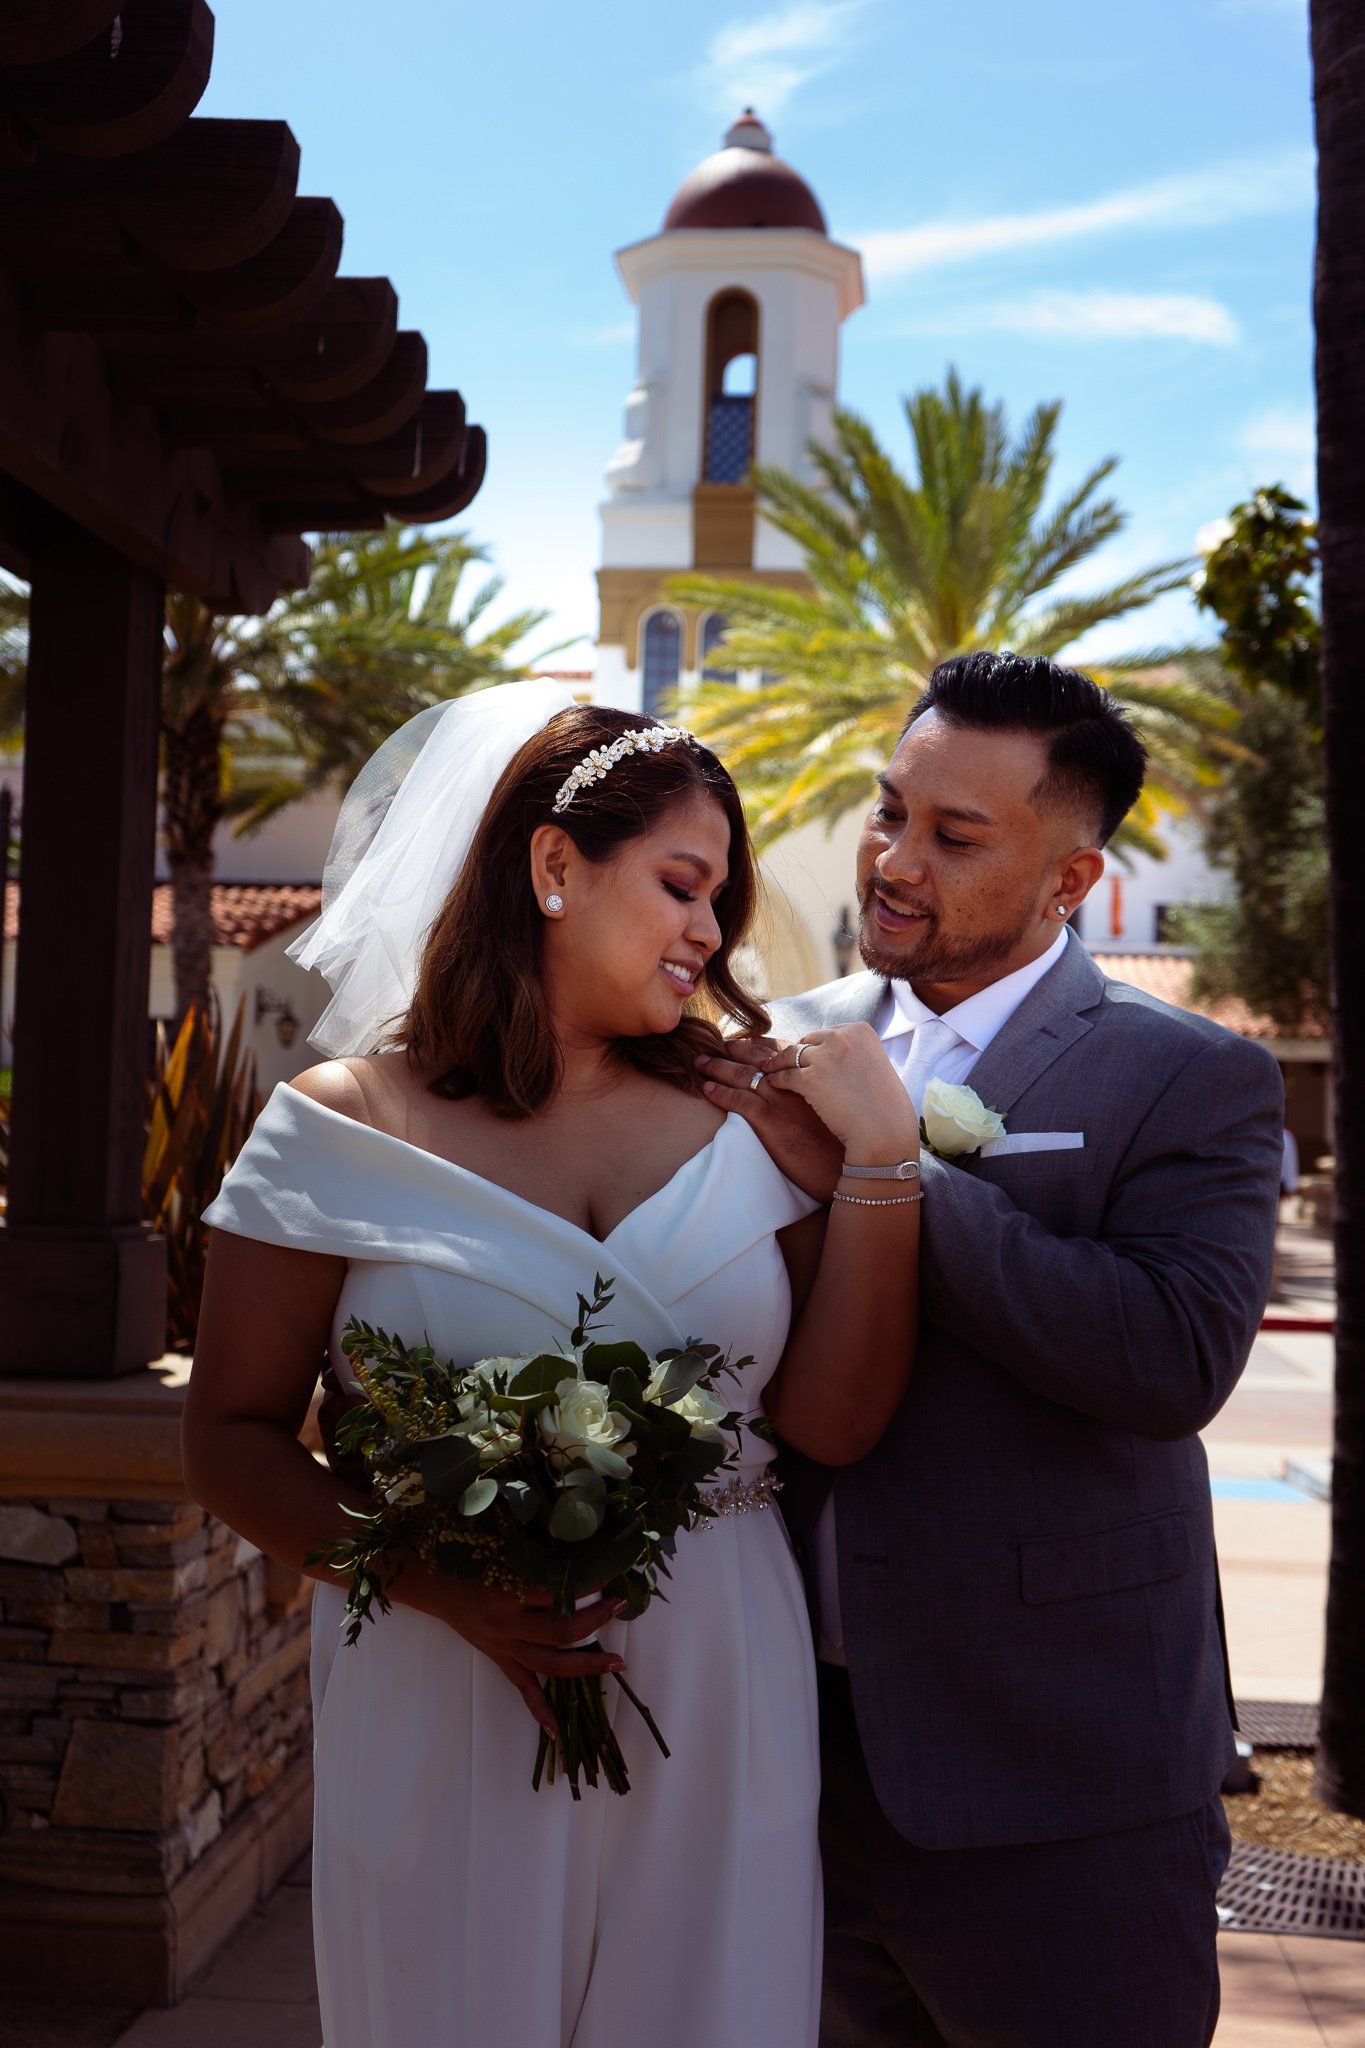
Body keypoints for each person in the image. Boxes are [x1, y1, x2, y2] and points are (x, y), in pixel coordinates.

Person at [182, 680, 924, 2048]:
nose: (711, 932)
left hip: (717, 1673)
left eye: (722, 902)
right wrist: (436, 1581)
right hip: (441, 1669)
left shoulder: (751, 1126)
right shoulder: (341, 1130)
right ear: (552, 867)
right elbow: (227, 1436)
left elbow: (831, 1424)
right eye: (682, 885)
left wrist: (879, 1169)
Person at [697, 652, 1285, 2048]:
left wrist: (889, 1169)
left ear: (1069, 880)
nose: (894, 860)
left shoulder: (1188, 1072)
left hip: (1064, 1777)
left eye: (955, 837)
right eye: (889, 810)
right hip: (792, 1770)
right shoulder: (779, 1047)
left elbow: (1170, 1359)